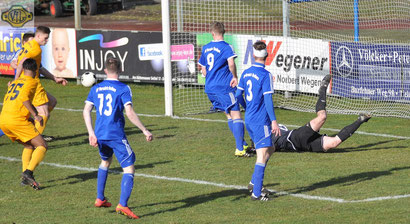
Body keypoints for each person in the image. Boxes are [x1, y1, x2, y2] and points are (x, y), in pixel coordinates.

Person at [83, 57, 153, 219]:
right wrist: (144, 130)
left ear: (105, 70)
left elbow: (86, 110)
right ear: (120, 69)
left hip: (99, 134)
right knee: (129, 168)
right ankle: (122, 204)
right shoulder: (123, 88)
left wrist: (90, 133)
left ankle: (100, 198)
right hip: (115, 134)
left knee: (105, 162)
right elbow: (129, 112)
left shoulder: (96, 88)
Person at [270, 74, 371, 154]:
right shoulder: (268, 138)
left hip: (297, 137)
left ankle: (322, 89)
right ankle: (361, 119)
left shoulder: (269, 132)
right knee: (334, 143)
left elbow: (271, 146)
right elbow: (272, 148)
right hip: (305, 146)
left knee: (322, 116)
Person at [236, 41, 280, 201]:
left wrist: (246, 107)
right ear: (267, 56)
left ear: (253, 55)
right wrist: (274, 121)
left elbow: (237, 95)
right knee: (262, 154)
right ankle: (256, 193)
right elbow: (268, 99)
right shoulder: (265, 75)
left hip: (249, 118)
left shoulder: (246, 73)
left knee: (271, 148)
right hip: (261, 121)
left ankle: (254, 181)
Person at [198, 22, 250, 157]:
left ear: (212, 33)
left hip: (210, 88)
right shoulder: (226, 47)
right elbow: (231, 63)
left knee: (228, 115)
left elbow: (203, 70)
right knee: (237, 114)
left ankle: (242, 143)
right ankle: (240, 148)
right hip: (224, 87)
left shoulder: (206, 48)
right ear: (224, 32)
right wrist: (235, 77)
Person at [0, 59, 48, 190]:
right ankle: (28, 173)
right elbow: (23, 98)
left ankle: (25, 179)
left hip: (4, 119)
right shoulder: (33, 82)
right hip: (16, 120)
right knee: (42, 145)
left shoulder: (16, 82)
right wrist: (35, 115)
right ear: (35, 70)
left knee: (28, 145)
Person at [15, 26, 68, 142]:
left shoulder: (28, 45)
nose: (47, 41)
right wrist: (15, 81)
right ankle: (33, 139)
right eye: (45, 38)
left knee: (52, 102)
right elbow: (20, 64)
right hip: (31, 83)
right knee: (44, 113)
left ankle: (33, 130)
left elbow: (39, 68)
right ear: (38, 36)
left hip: (27, 82)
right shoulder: (36, 49)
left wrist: (55, 78)